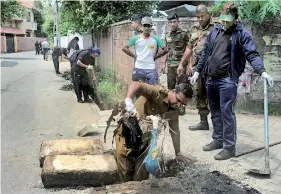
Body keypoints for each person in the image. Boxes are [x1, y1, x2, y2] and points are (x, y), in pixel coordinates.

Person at [190, 2, 274, 160]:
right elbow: (206, 52)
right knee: (214, 111)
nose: (225, 23)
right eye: (223, 19)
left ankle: (229, 147)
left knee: (226, 112)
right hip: (211, 78)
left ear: (236, 18)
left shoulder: (242, 34)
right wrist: (197, 71)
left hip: (227, 80)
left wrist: (262, 72)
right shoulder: (215, 30)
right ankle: (218, 140)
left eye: (228, 20)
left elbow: (253, 54)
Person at [115, 81, 196, 182]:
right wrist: (128, 100)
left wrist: (178, 153)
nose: (179, 105)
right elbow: (137, 84)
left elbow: (175, 131)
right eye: (178, 100)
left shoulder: (174, 111)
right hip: (128, 133)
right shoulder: (158, 93)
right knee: (126, 171)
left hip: (146, 139)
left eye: (183, 104)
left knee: (142, 173)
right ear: (174, 92)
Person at [178, 5, 215, 130]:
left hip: (213, 68)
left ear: (208, 14)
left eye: (202, 16)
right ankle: (203, 122)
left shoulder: (217, 27)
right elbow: (189, 48)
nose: (200, 19)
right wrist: (181, 63)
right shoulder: (194, 29)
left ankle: (218, 125)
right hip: (198, 69)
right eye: (198, 17)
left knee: (214, 95)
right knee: (200, 93)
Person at [122, 17, 168, 85]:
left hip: (151, 69)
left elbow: (166, 49)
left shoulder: (155, 38)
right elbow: (124, 48)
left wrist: (156, 57)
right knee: (137, 90)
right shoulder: (136, 38)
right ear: (142, 26)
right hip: (138, 68)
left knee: (153, 90)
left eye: (148, 26)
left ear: (151, 27)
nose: (146, 28)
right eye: (145, 25)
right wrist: (134, 56)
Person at [164, 12, 189, 90]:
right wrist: (163, 64)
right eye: (171, 22)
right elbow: (166, 50)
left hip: (180, 66)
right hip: (170, 65)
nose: (172, 24)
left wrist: (190, 65)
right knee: (170, 88)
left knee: (182, 88)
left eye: (174, 22)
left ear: (178, 22)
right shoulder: (167, 34)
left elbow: (189, 49)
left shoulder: (184, 33)